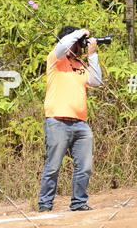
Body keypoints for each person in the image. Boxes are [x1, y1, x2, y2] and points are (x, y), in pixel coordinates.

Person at [37, 26, 103, 212]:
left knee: (85, 166)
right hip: (57, 121)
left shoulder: (81, 65)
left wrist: (92, 55)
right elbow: (62, 45)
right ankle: (45, 204)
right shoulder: (55, 59)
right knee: (53, 166)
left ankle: (78, 202)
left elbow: (96, 81)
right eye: (78, 42)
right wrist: (80, 32)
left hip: (80, 123)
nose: (80, 45)